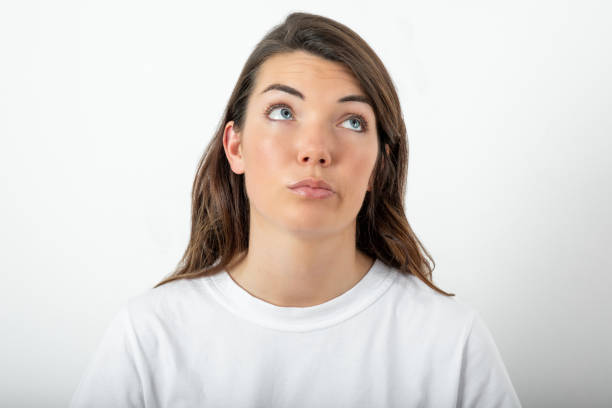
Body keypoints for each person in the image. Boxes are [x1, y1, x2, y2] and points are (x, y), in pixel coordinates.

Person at [70, 12, 522, 407]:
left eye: (352, 121)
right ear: (236, 145)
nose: (315, 150)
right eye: (283, 112)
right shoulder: (149, 337)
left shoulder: (450, 344)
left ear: (380, 164)